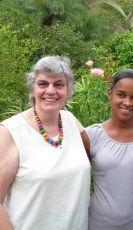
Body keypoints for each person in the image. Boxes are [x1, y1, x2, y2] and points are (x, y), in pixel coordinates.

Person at [0, 56, 91, 230]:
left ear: (68, 89)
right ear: (32, 88)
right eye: (42, 84)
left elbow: (99, 147)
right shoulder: (11, 131)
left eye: (58, 84)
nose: (50, 91)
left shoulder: (71, 121)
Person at [86, 68, 133, 230]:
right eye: (121, 95)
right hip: (97, 224)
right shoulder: (92, 135)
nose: (127, 102)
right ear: (110, 94)